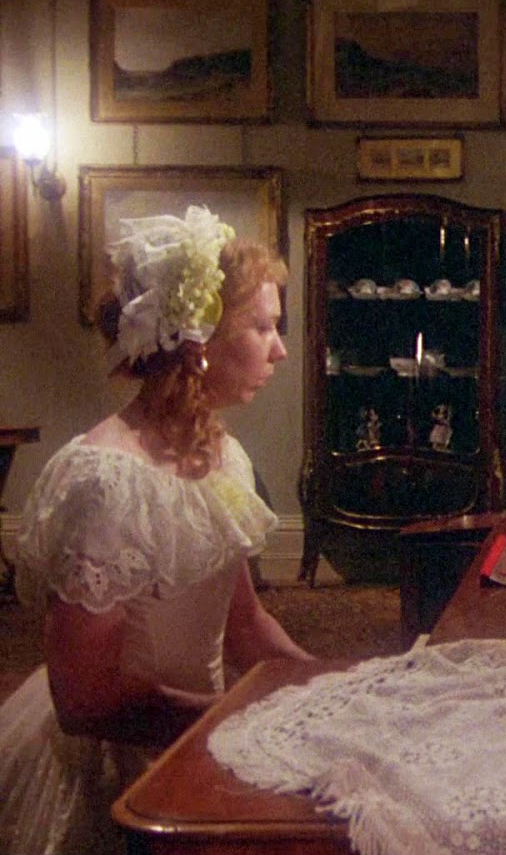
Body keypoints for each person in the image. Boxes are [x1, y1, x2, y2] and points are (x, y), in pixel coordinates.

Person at [0, 206, 313, 854]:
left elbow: (243, 623)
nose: (279, 349)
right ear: (198, 344)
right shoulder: (104, 481)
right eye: (261, 327)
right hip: (119, 765)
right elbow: (87, 701)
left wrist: (326, 681)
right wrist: (227, 720)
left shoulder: (222, 456)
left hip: (200, 731)